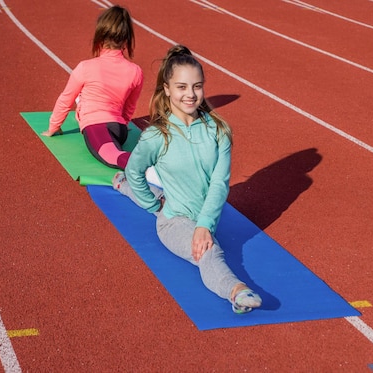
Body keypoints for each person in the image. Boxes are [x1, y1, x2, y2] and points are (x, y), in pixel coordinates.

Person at [112, 45, 262, 314]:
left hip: (200, 214)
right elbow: (136, 170)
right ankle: (236, 291)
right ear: (167, 89)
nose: (190, 95)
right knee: (208, 251)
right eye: (181, 87)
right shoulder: (157, 136)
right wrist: (152, 206)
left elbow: (219, 183)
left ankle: (124, 186)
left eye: (197, 86)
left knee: (181, 212)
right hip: (173, 221)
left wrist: (204, 224)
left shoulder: (218, 131)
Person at [42, 5, 142, 170]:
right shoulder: (136, 71)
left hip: (96, 126)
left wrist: (53, 127)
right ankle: (84, 101)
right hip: (119, 130)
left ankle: (155, 168)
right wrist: (123, 123)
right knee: (113, 148)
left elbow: (65, 99)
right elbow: (129, 108)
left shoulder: (85, 67)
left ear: (99, 38)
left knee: (113, 157)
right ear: (126, 40)